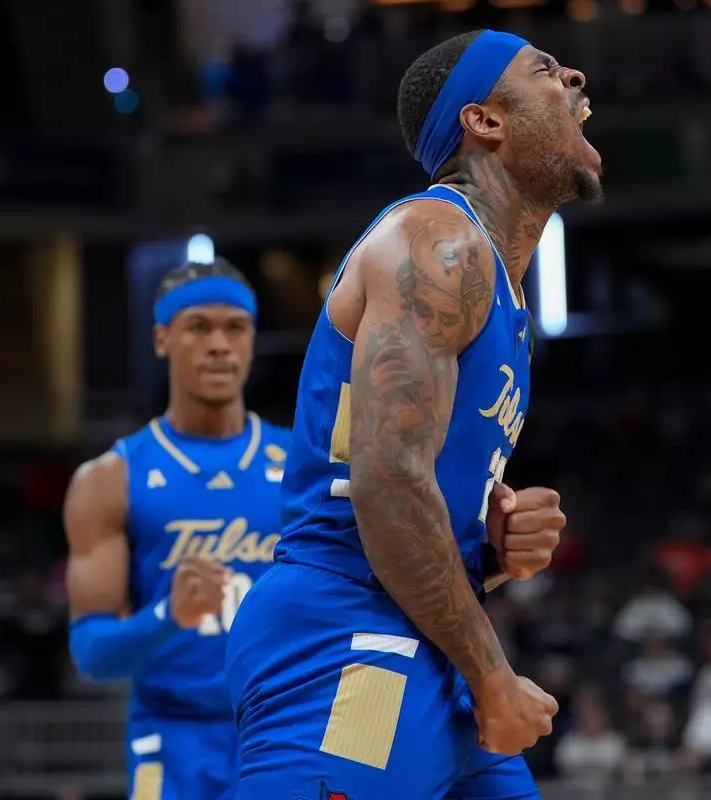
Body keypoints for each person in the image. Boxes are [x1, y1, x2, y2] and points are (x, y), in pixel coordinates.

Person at [226, 28, 602, 799]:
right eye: (544, 70)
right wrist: (494, 678)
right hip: (347, 636)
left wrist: (492, 547)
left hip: (428, 642)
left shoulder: (500, 290)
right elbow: (388, 484)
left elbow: (415, 489)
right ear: (485, 120)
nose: (574, 76)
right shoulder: (438, 242)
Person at [63, 259, 290, 800]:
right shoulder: (110, 479)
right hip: (173, 734)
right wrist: (168, 616)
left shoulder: (300, 466)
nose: (219, 346)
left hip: (282, 727)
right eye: (198, 327)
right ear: (161, 339)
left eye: (235, 328)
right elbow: (91, 654)